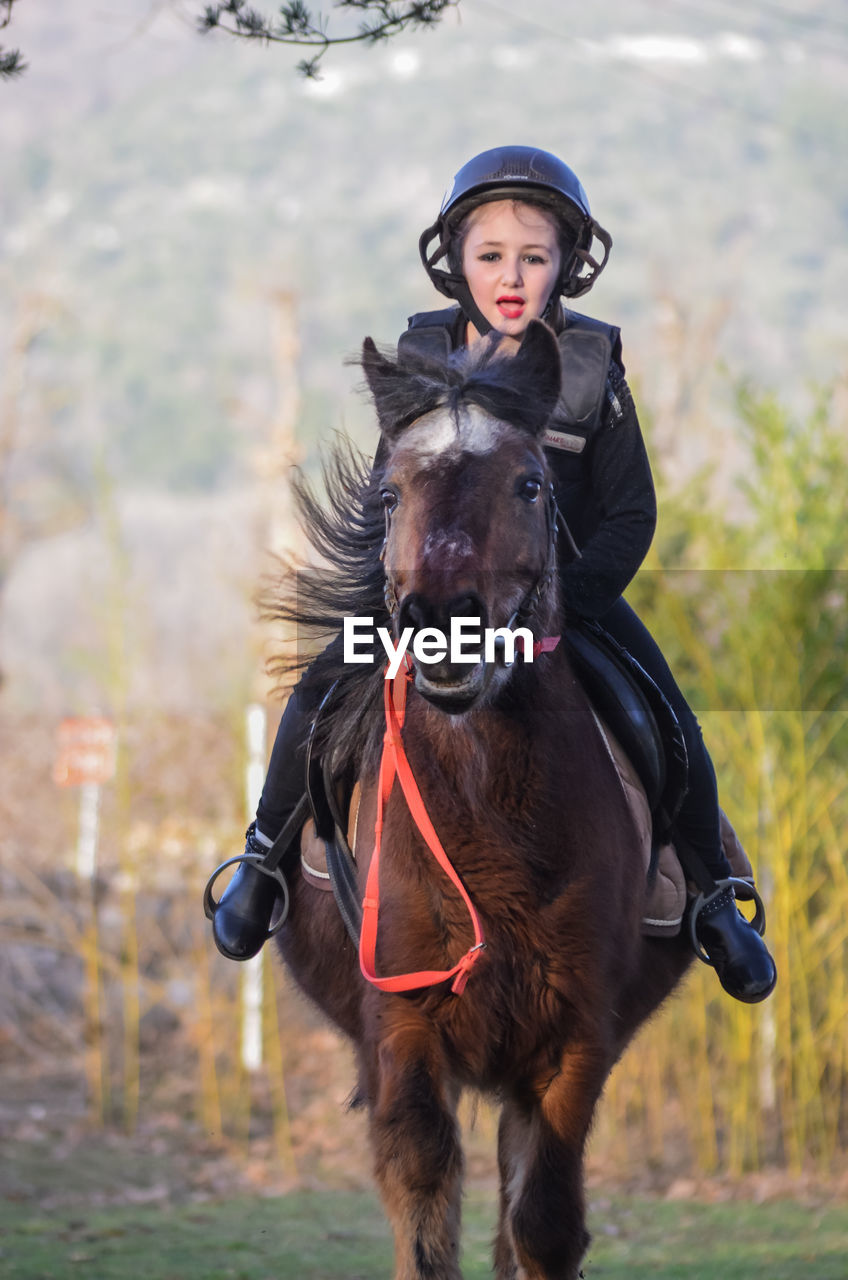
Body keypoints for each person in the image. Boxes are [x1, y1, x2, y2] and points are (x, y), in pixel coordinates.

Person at [210, 145, 776, 1004]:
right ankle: (261, 860)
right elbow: (385, 501)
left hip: (563, 604)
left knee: (662, 710)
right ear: (458, 264)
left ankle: (711, 898)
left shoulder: (593, 372)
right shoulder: (420, 361)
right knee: (322, 686)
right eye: (491, 256)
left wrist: (558, 606)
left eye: (534, 257)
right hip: (432, 601)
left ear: (565, 267)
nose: (512, 276)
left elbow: (631, 515)